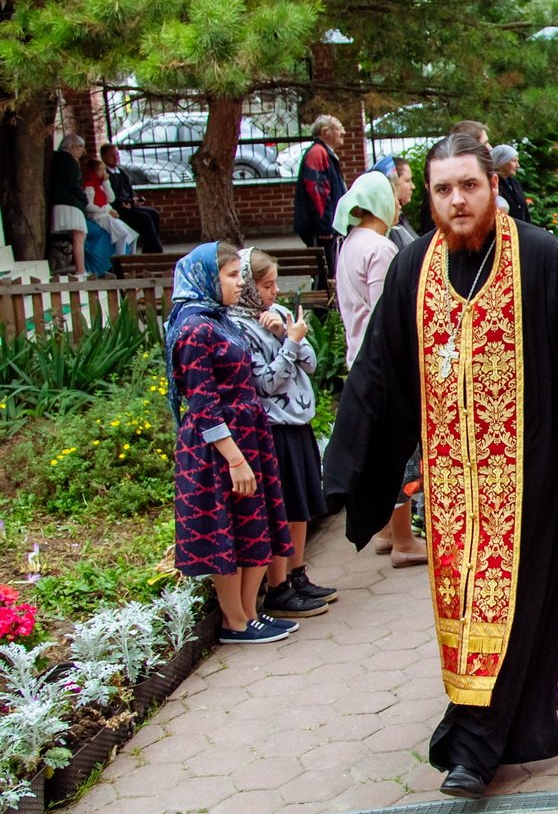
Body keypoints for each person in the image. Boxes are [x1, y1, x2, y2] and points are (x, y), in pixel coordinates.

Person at [324, 134, 558, 799]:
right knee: (466, 612)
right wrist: (351, 463)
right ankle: (516, 718)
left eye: (468, 185)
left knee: (517, 605)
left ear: (493, 185)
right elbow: (381, 374)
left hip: (531, 479)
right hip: (451, 488)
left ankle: (473, 748)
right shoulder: (414, 270)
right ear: (429, 197)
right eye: (442, 189)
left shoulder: (544, 261)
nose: (457, 200)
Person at [166, 244, 297, 645]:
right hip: (218, 449)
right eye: (231, 276)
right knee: (228, 529)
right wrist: (235, 459)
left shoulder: (218, 320)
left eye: (239, 275)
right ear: (207, 278)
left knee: (253, 525)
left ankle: (250, 614)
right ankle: (234, 621)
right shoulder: (193, 328)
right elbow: (203, 404)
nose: (240, 283)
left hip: (247, 435)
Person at [229, 248, 339, 620]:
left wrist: (290, 334)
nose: (274, 292)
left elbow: (310, 362)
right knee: (284, 504)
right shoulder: (240, 329)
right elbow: (267, 383)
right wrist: (289, 342)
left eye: (275, 283)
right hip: (274, 426)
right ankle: (277, 587)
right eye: (266, 285)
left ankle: (297, 572)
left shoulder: (279, 315)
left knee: (303, 504)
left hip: (299, 422)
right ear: (248, 287)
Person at [330, 170, 425, 567]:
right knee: (401, 452)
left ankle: (386, 531)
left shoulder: (348, 243)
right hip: (386, 365)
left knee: (382, 448)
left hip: (359, 357)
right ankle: (404, 539)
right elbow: (389, 313)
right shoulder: (381, 249)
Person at [293, 115, 347, 276]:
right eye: (339, 128)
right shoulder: (318, 153)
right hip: (322, 231)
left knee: (330, 271)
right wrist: (325, 227)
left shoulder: (324, 153)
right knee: (325, 273)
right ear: (325, 132)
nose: (343, 132)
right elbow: (317, 192)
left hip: (326, 228)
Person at [99, 144, 164, 253]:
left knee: (154, 213)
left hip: (129, 205)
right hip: (116, 209)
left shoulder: (121, 172)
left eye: (117, 154)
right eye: (112, 155)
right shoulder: (105, 175)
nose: (116, 158)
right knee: (145, 217)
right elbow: (111, 196)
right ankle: (155, 249)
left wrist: (134, 199)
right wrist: (126, 202)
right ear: (104, 157)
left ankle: (150, 247)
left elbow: (129, 190)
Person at [77, 157, 131, 271]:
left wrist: (106, 183)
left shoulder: (101, 185)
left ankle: (128, 260)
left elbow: (111, 199)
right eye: (101, 170)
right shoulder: (89, 186)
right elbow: (89, 206)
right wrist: (107, 210)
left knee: (131, 235)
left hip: (106, 214)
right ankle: (118, 263)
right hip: (99, 216)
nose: (104, 172)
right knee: (122, 235)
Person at [47, 133, 89, 276]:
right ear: (72, 146)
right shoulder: (70, 160)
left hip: (60, 202)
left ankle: (78, 268)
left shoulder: (58, 159)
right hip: (70, 204)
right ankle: (81, 270)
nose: (82, 151)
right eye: (80, 147)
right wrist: (84, 198)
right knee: (79, 236)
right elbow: (73, 184)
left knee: (76, 236)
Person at [492, 145, 531, 223]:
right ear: (501, 162)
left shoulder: (515, 183)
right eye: (514, 161)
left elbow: (524, 211)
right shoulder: (493, 185)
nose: (518, 165)